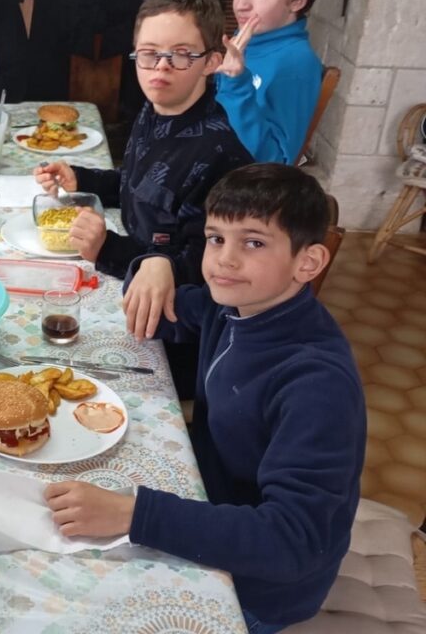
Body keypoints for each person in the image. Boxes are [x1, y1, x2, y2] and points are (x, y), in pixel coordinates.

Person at [46, 164, 366, 633]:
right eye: (216, 238)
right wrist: (153, 264)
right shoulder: (235, 306)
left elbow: (293, 542)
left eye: (253, 243)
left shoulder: (317, 384)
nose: (224, 261)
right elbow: (161, 309)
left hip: (255, 588)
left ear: (308, 262)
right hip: (207, 502)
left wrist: (133, 514)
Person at [34, 0, 253, 285]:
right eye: (149, 53)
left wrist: (108, 248)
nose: (161, 67)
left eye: (181, 54)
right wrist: (82, 180)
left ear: (211, 62)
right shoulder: (154, 110)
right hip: (133, 258)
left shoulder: (220, 155)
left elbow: (200, 269)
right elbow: (140, 186)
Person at [215, 0, 328, 164]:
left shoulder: (295, 63)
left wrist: (236, 84)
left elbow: (275, 162)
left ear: (296, 0)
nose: (241, 4)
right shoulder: (249, 39)